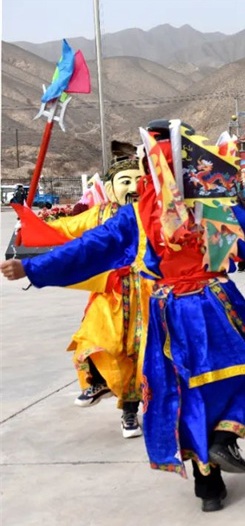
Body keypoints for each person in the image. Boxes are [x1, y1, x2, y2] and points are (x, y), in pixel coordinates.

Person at [1, 120, 245, 512]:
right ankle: (223, 440)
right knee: (241, 373)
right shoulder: (212, 207)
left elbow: (89, 248)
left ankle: (208, 486)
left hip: (168, 312)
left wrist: (33, 268)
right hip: (215, 303)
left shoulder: (135, 216)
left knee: (185, 393)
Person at [28, 140, 152, 438]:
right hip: (111, 294)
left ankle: (130, 412)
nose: (133, 187)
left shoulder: (155, 213)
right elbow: (67, 228)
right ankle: (97, 380)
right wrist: (30, 224)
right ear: (110, 188)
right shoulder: (100, 215)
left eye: (139, 180)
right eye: (125, 181)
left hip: (149, 295)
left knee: (141, 355)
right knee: (97, 338)